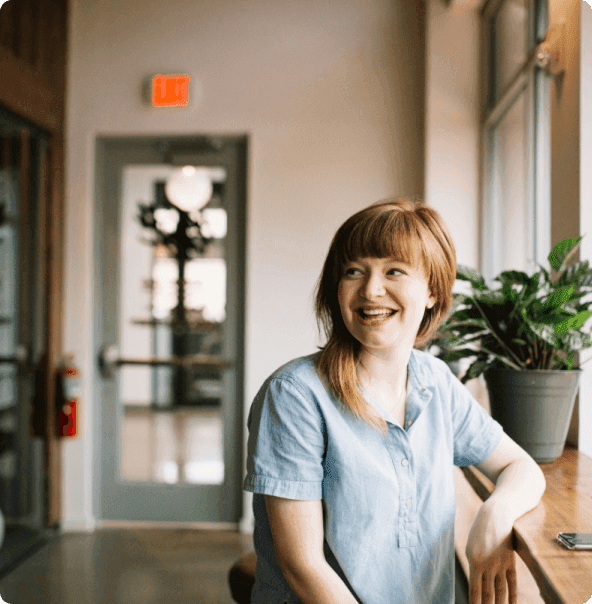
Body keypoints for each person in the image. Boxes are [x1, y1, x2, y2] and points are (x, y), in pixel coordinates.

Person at [243, 198, 546, 604]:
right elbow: (303, 568)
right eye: (353, 271)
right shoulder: (294, 395)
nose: (370, 290)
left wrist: (494, 514)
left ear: (433, 293)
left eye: (394, 271)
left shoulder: (435, 380)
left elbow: (520, 467)